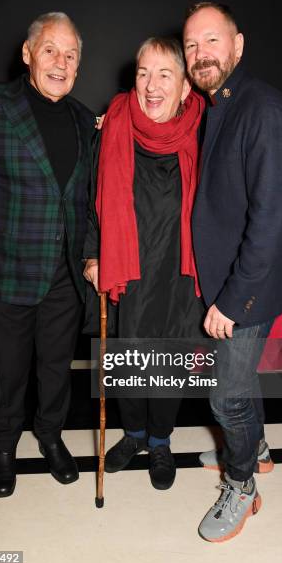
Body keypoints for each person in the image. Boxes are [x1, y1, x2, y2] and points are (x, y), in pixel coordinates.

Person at [0, 12, 96, 497]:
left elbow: (84, 199)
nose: (61, 62)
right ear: (28, 53)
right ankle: (4, 446)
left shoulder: (81, 118)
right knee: (8, 368)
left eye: (71, 54)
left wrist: (91, 256)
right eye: (50, 50)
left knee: (56, 368)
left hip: (64, 275)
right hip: (4, 271)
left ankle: (50, 437)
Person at [183, 2, 282, 541]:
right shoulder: (223, 104)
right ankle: (256, 447)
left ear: (238, 45)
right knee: (240, 381)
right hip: (232, 281)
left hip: (244, 288)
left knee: (225, 396)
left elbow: (271, 221)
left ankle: (243, 482)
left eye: (211, 41)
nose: (199, 54)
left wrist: (231, 300)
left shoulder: (264, 109)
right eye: (191, 46)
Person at [84, 37, 205, 490]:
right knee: (128, 353)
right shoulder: (114, 125)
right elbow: (93, 198)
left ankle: (160, 441)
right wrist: (94, 254)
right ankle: (133, 434)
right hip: (128, 265)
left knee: (169, 357)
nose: (151, 86)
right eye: (143, 73)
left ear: (186, 87)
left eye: (164, 75)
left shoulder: (202, 131)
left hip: (179, 270)